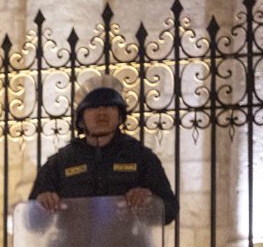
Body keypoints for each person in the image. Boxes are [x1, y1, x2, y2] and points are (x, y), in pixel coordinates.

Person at [29, 75, 178, 224]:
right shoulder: (60, 162)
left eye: (109, 106)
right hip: (72, 246)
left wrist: (150, 200)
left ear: (120, 117)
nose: (101, 113)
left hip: (128, 245)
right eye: (93, 107)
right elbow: (31, 222)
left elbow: (170, 209)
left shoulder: (141, 157)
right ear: (80, 120)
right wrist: (41, 204)